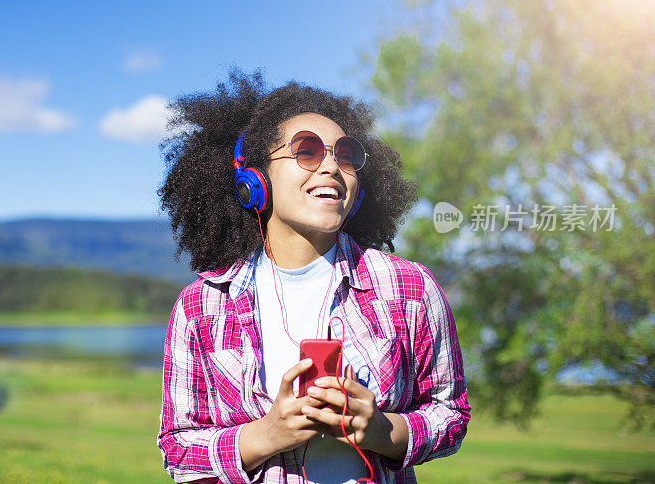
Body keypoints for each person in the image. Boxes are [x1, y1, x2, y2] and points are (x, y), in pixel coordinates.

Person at [157, 71, 470, 484]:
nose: (330, 167)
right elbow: (178, 448)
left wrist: (381, 431)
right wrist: (266, 435)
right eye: (306, 151)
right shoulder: (202, 304)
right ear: (254, 181)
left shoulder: (410, 288)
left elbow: (450, 414)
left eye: (345, 156)